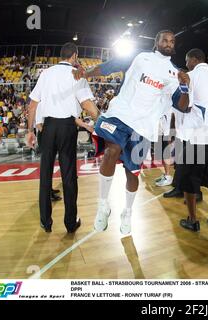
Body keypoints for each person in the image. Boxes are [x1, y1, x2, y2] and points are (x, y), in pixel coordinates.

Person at [73, 30, 184, 234]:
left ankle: (127, 212)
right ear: (156, 42)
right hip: (120, 116)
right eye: (165, 40)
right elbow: (108, 67)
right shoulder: (140, 57)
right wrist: (85, 73)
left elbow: (182, 106)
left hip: (143, 128)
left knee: (132, 173)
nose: (169, 43)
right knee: (111, 150)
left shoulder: (175, 74)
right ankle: (102, 205)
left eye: (172, 41)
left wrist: (185, 87)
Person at [26, 42, 100, 233]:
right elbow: (87, 106)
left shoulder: (45, 73)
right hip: (67, 127)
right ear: (75, 55)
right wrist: (102, 123)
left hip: (48, 127)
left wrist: (29, 131)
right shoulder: (77, 75)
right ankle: (70, 223)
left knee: (45, 175)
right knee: (68, 177)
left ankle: (45, 221)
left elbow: (32, 106)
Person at [175, 48, 208, 232]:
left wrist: (182, 86)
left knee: (189, 180)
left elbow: (183, 106)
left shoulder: (191, 76)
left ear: (194, 60)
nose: (186, 63)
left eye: (187, 60)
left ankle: (192, 220)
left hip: (197, 134)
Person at [34, 102, 62, 202]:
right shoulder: (41, 105)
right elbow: (38, 124)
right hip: (45, 135)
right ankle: (47, 194)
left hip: (49, 135)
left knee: (49, 167)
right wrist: (49, 135)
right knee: (47, 168)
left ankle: (49, 190)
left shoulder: (47, 105)